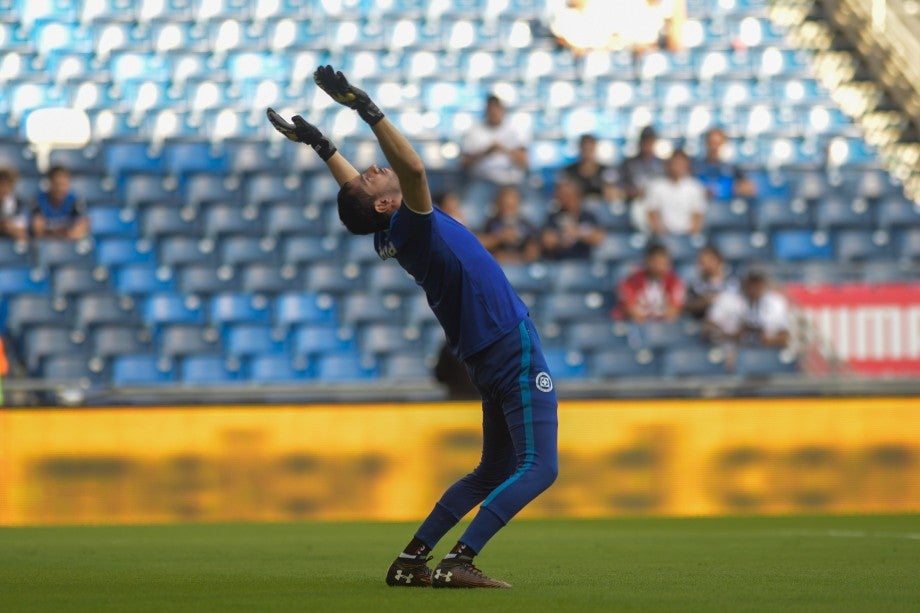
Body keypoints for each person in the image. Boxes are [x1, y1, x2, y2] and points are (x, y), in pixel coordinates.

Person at [268, 65, 558, 590]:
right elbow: (416, 170)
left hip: (483, 352)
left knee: (493, 469)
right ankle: (459, 559)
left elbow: (358, 195)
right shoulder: (411, 222)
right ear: (385, 203)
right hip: (507, 344)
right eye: (369, 177)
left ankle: (411, 560)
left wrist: (322, 145)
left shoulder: (392, 231)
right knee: (540, 468)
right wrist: (367, 109)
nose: (372, 168)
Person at [705, 269, 790, 348]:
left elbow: (786, 336)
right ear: (744, 283)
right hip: (732, 350)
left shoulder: (776, 303)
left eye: (757, 283)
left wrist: (768, 340)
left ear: (764, 284)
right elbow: (707, 329)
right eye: (751, 283)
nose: (754, 288)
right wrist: (732, 335)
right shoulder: (727, 300)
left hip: (765, 352)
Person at [460, 94, 529, 187]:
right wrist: (486, 152)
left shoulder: (516, 130)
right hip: (482, 181)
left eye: (497, 109)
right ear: (486, 111)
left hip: (512, 182)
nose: (494, 113)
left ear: (503, 110)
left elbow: (524, 162)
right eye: (491, 110)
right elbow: (464, 164)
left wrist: (503, 150)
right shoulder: (473, 131)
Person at [643, 149, 707, 236]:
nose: (677, 166)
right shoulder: (656, 185)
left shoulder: (694, 187)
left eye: (681, 163)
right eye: (675, 163)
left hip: (687, 236)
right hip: (662, 236)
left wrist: (689, 235)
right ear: (668, 164)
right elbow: (651, 212)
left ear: (687, 165)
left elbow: (698, 214)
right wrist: (661, 233)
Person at [615, 243, 685, 323]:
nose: (659, 267)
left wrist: (648, 312)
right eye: (656, 262)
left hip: (663, 328)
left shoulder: (675, 282)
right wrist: (659, 312)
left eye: (663, 263)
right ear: (647, 261)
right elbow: (632, 312)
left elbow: (673, 312)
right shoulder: (631, 281)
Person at [541, 178, 605, 260]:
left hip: (584, 263)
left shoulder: (587, 216)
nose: (566, 199)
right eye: (562, 196)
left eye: (569, 195)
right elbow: (547, 241)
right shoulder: (554, 216)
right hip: (560, 263)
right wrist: (561, 238)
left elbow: (598, 238)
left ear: (577, 195)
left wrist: (578, 232)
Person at [478, 185, 540, 264]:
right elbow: (478, 244)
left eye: (511, 206)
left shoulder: (526, 225)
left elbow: (533, 254)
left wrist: (510, 258)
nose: (507, 209)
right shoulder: (490, 222)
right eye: (504, 204)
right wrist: (500, 237)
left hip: (520, 269)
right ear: (498, 203)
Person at [694, 127, 757, 201]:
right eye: (711, 143)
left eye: (718, 144)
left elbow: (750, 189)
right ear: (705, 144)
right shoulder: (695, 167)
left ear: (724, 144)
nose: (714, 148)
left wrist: (730, 190)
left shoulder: (733, 168)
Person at [31, 165, 90, 240]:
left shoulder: (76, 201)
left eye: (64, 184)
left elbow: (81, 227)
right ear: (50, 183)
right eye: (57, 184)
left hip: (67, 245)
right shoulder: (39, 200)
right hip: (46, 245)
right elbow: (38, 231)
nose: (60, 189)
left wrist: (66, 235)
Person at [561, 134, 620, 202]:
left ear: (595, 148)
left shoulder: (605, 171)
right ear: (580, 149)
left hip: (601, 206)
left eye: (590, 148)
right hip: (576, 207)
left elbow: (612, 193)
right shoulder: (570, 171)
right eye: (585, 148)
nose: (587, 152)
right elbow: (564, 194)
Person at [684, 245, 737, 319]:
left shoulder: (733, 283)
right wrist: (704, 302)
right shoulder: (695, 285)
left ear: (718, 260)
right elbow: (688, 306)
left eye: (707, 260)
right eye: (701, 262)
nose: (703, 265)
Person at [619, 125, 665, 204]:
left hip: (656, 205)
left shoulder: (662, 164)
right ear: (640, 142)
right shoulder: (628, 164)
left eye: (650, 141)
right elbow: (619, 189)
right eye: (645, 141)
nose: (647, 144)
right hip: (633, 204)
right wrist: (635, 192)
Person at [0, 167, 28, 241]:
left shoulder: (18, 204)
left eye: (7, 185)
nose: (3, 189)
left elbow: (21, 232)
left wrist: (8, 227)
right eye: (1, 184)